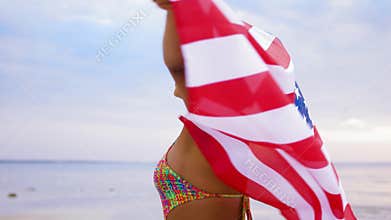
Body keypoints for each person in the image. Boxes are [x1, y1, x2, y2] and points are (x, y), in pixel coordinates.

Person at [151, 0, 252, 219]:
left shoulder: (213, 122)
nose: (175, 91)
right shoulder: (218, 129)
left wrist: (173, 7)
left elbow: (179, 68)